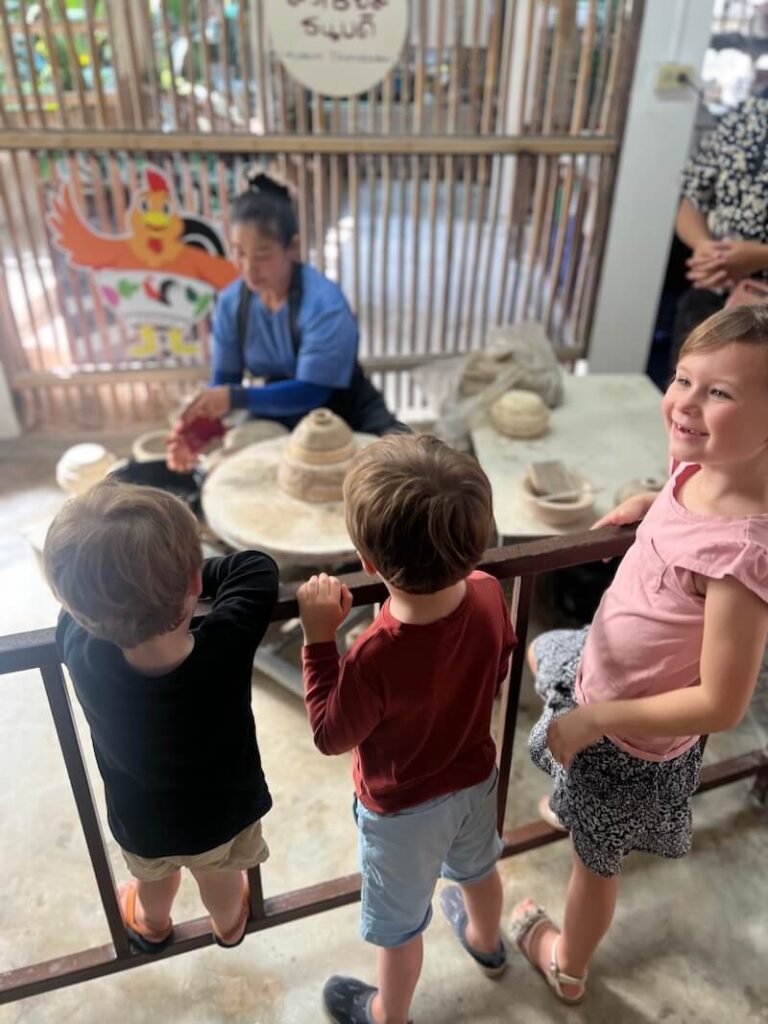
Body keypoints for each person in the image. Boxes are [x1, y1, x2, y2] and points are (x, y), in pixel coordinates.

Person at [511, 304, 768, 1005]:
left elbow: (722, 701)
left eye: (719, 392)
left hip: (630, 740)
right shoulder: (696, 465)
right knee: (545, 649)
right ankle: (574, 790)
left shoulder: (742, 557)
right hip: (602, 670)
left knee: (594, 866)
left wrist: (596, 722)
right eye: (683, 378)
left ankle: (569, 965)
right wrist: (658, 504)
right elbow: (689, 497)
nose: (685, 403)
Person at [296, 434, 516, 1024]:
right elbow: (497, 664)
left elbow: (329, 734)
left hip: (402, 813)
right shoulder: (492, 593)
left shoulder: (373, 655)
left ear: (368, 564)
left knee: (398, 927)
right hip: (475, 780)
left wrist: (319, 642)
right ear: (477, 543)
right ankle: (487, 942)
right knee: (478, 869)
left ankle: (386, 1014)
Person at [42, 479, 278, 952]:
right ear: (193, 583)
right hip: (223, 812)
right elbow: (256, 568)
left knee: (154, 875)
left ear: (77, 607)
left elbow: (74, 610)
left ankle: (152, 924)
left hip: (142, 818)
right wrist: (180, 574)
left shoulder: (79, 647)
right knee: (221, 873)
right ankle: (230, 923)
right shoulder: (227, 639)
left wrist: (155, 580)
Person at [167, 174, 406, 470]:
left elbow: (312, 392)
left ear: (292, 247)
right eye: (239, 253)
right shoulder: (231, 304)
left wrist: (235, 397)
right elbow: (225, 381)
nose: (248, 268)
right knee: (228, 466)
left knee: (405, 467)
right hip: (276, 409)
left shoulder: (324, 304)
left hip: (345, 408)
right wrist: (198, 429)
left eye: (262, 255)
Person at [671, 93, 768, 363]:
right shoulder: (745, 114)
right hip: (712, 294)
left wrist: (758, 257)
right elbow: (692, 202)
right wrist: (706, 247)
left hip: (761, 310)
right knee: (687, 391)